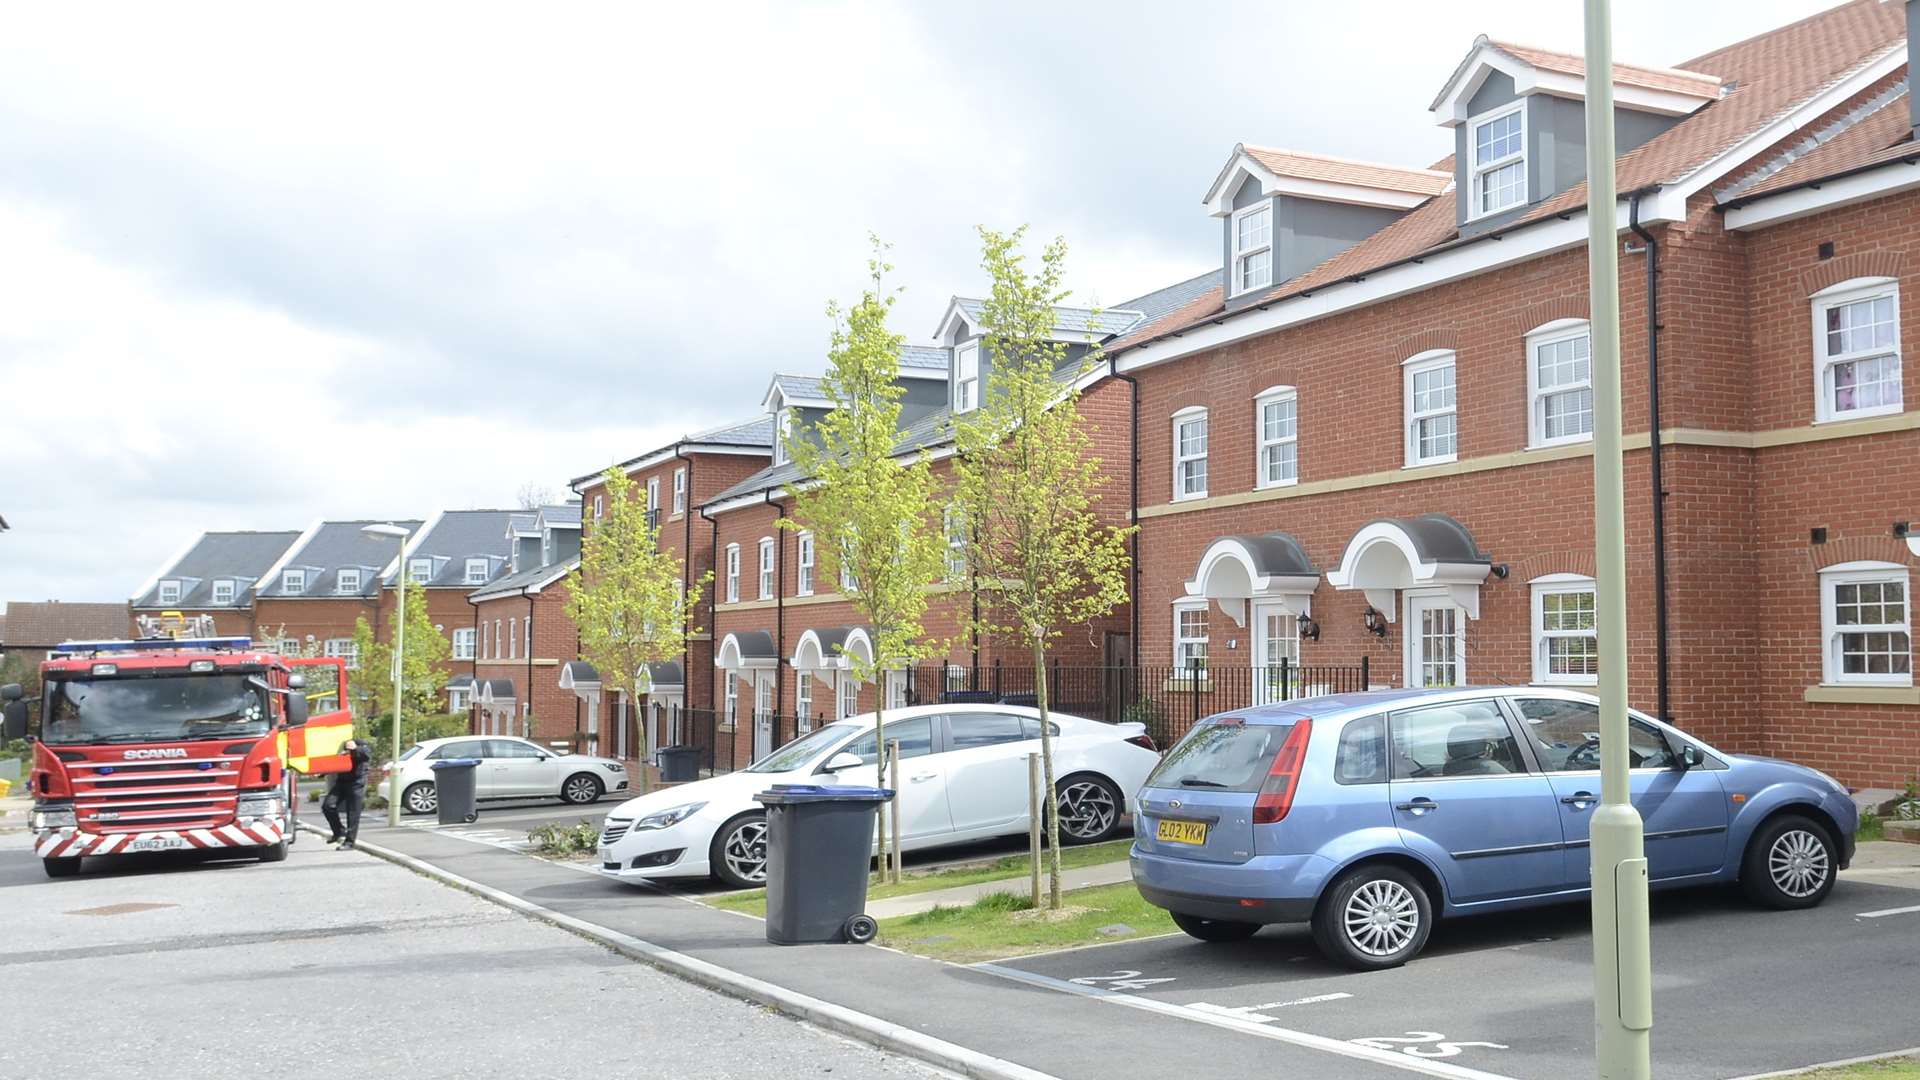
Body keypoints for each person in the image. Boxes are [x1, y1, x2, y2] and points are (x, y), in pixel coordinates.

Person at [321, 737, 373, 850]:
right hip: (341, 782)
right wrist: (322, 772)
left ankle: (350, 842)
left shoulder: (359, 742)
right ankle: (339, 831)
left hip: (356, 783)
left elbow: (366, 755)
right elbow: (335, 761)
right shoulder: (338, 744)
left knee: (353, 813)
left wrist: (355, 749)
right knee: (327, 806)